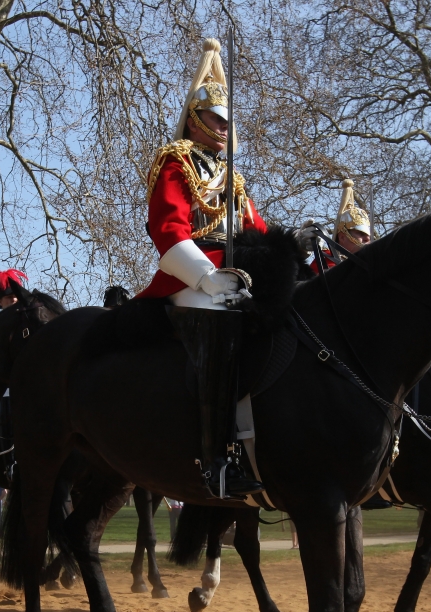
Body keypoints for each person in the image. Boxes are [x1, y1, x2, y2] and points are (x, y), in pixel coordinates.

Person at [138, 38, 317, 499]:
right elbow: (167, 228)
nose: (222, 128)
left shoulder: (233, 178)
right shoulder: (175, 161)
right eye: (215, 119)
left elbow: (255, 228)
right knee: (217, 321)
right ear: (196, 120)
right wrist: (204, 276)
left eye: (226, 121)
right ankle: (216, 456)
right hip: (191, 272)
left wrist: (293, 251)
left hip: (238, 270)